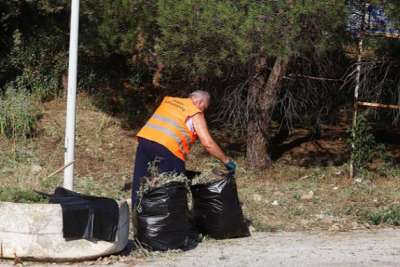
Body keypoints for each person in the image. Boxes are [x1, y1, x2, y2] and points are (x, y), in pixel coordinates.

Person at [131, 90, 236, 207]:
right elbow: (208, 143)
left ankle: (137, 215)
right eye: (204, 108)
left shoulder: (169, 100)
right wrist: (226, 160)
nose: (203, 111)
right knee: (175, 187)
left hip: (145, 140)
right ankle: (173, 220)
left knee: (140, 180)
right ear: (200, 102)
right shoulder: (195, 112)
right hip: (168, 148)